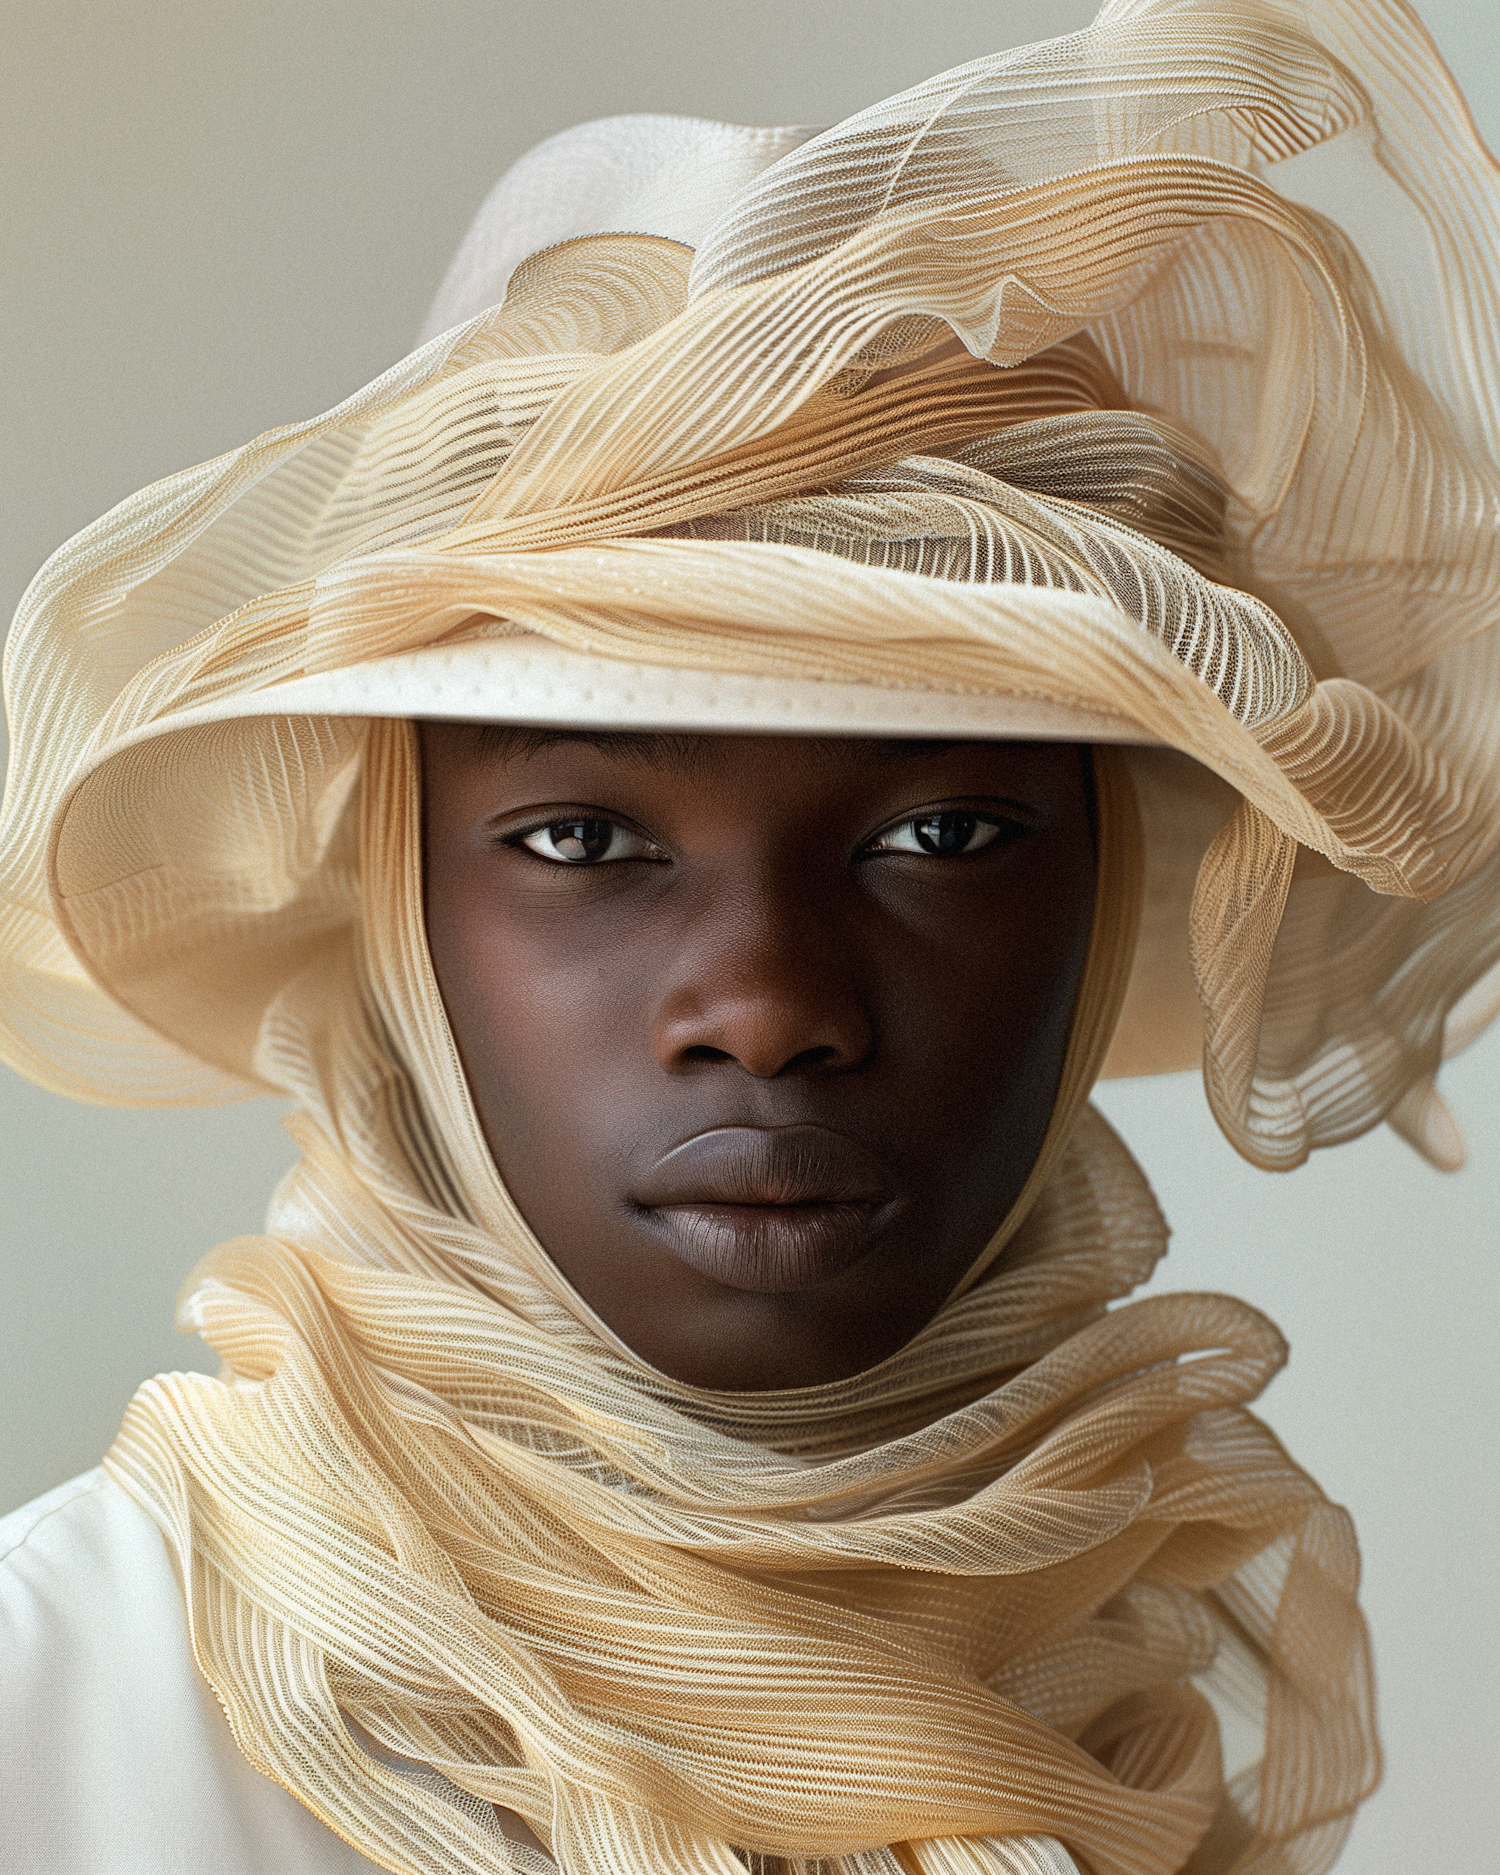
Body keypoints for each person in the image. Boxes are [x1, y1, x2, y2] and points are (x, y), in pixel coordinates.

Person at [2, 1, 1496, 1870]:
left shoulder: (1117, 1690)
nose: (771, 1005)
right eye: (581, 835)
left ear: (1104, 893)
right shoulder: (55, 1714)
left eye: (941, 833)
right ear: (406, 910)